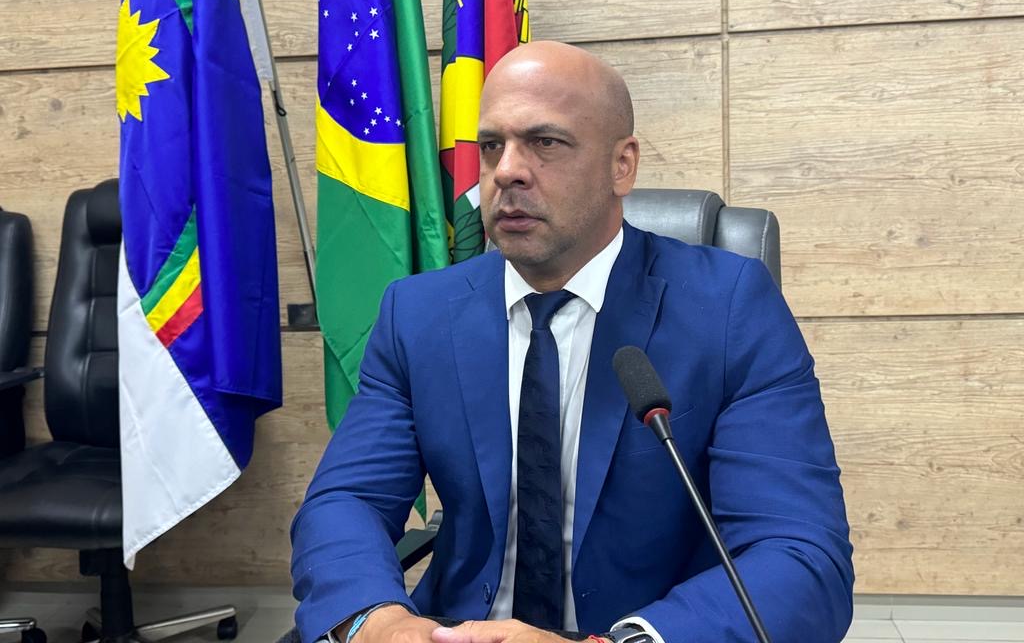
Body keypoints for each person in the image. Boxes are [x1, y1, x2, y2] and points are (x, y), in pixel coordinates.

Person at [291, 42, 854, 643]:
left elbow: (799, 553)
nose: (506, 171)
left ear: (622, 165)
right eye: (491, 146)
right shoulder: (419, 313)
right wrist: (377, 622)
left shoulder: (729, 307)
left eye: (545, 142)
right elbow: (348, 499)